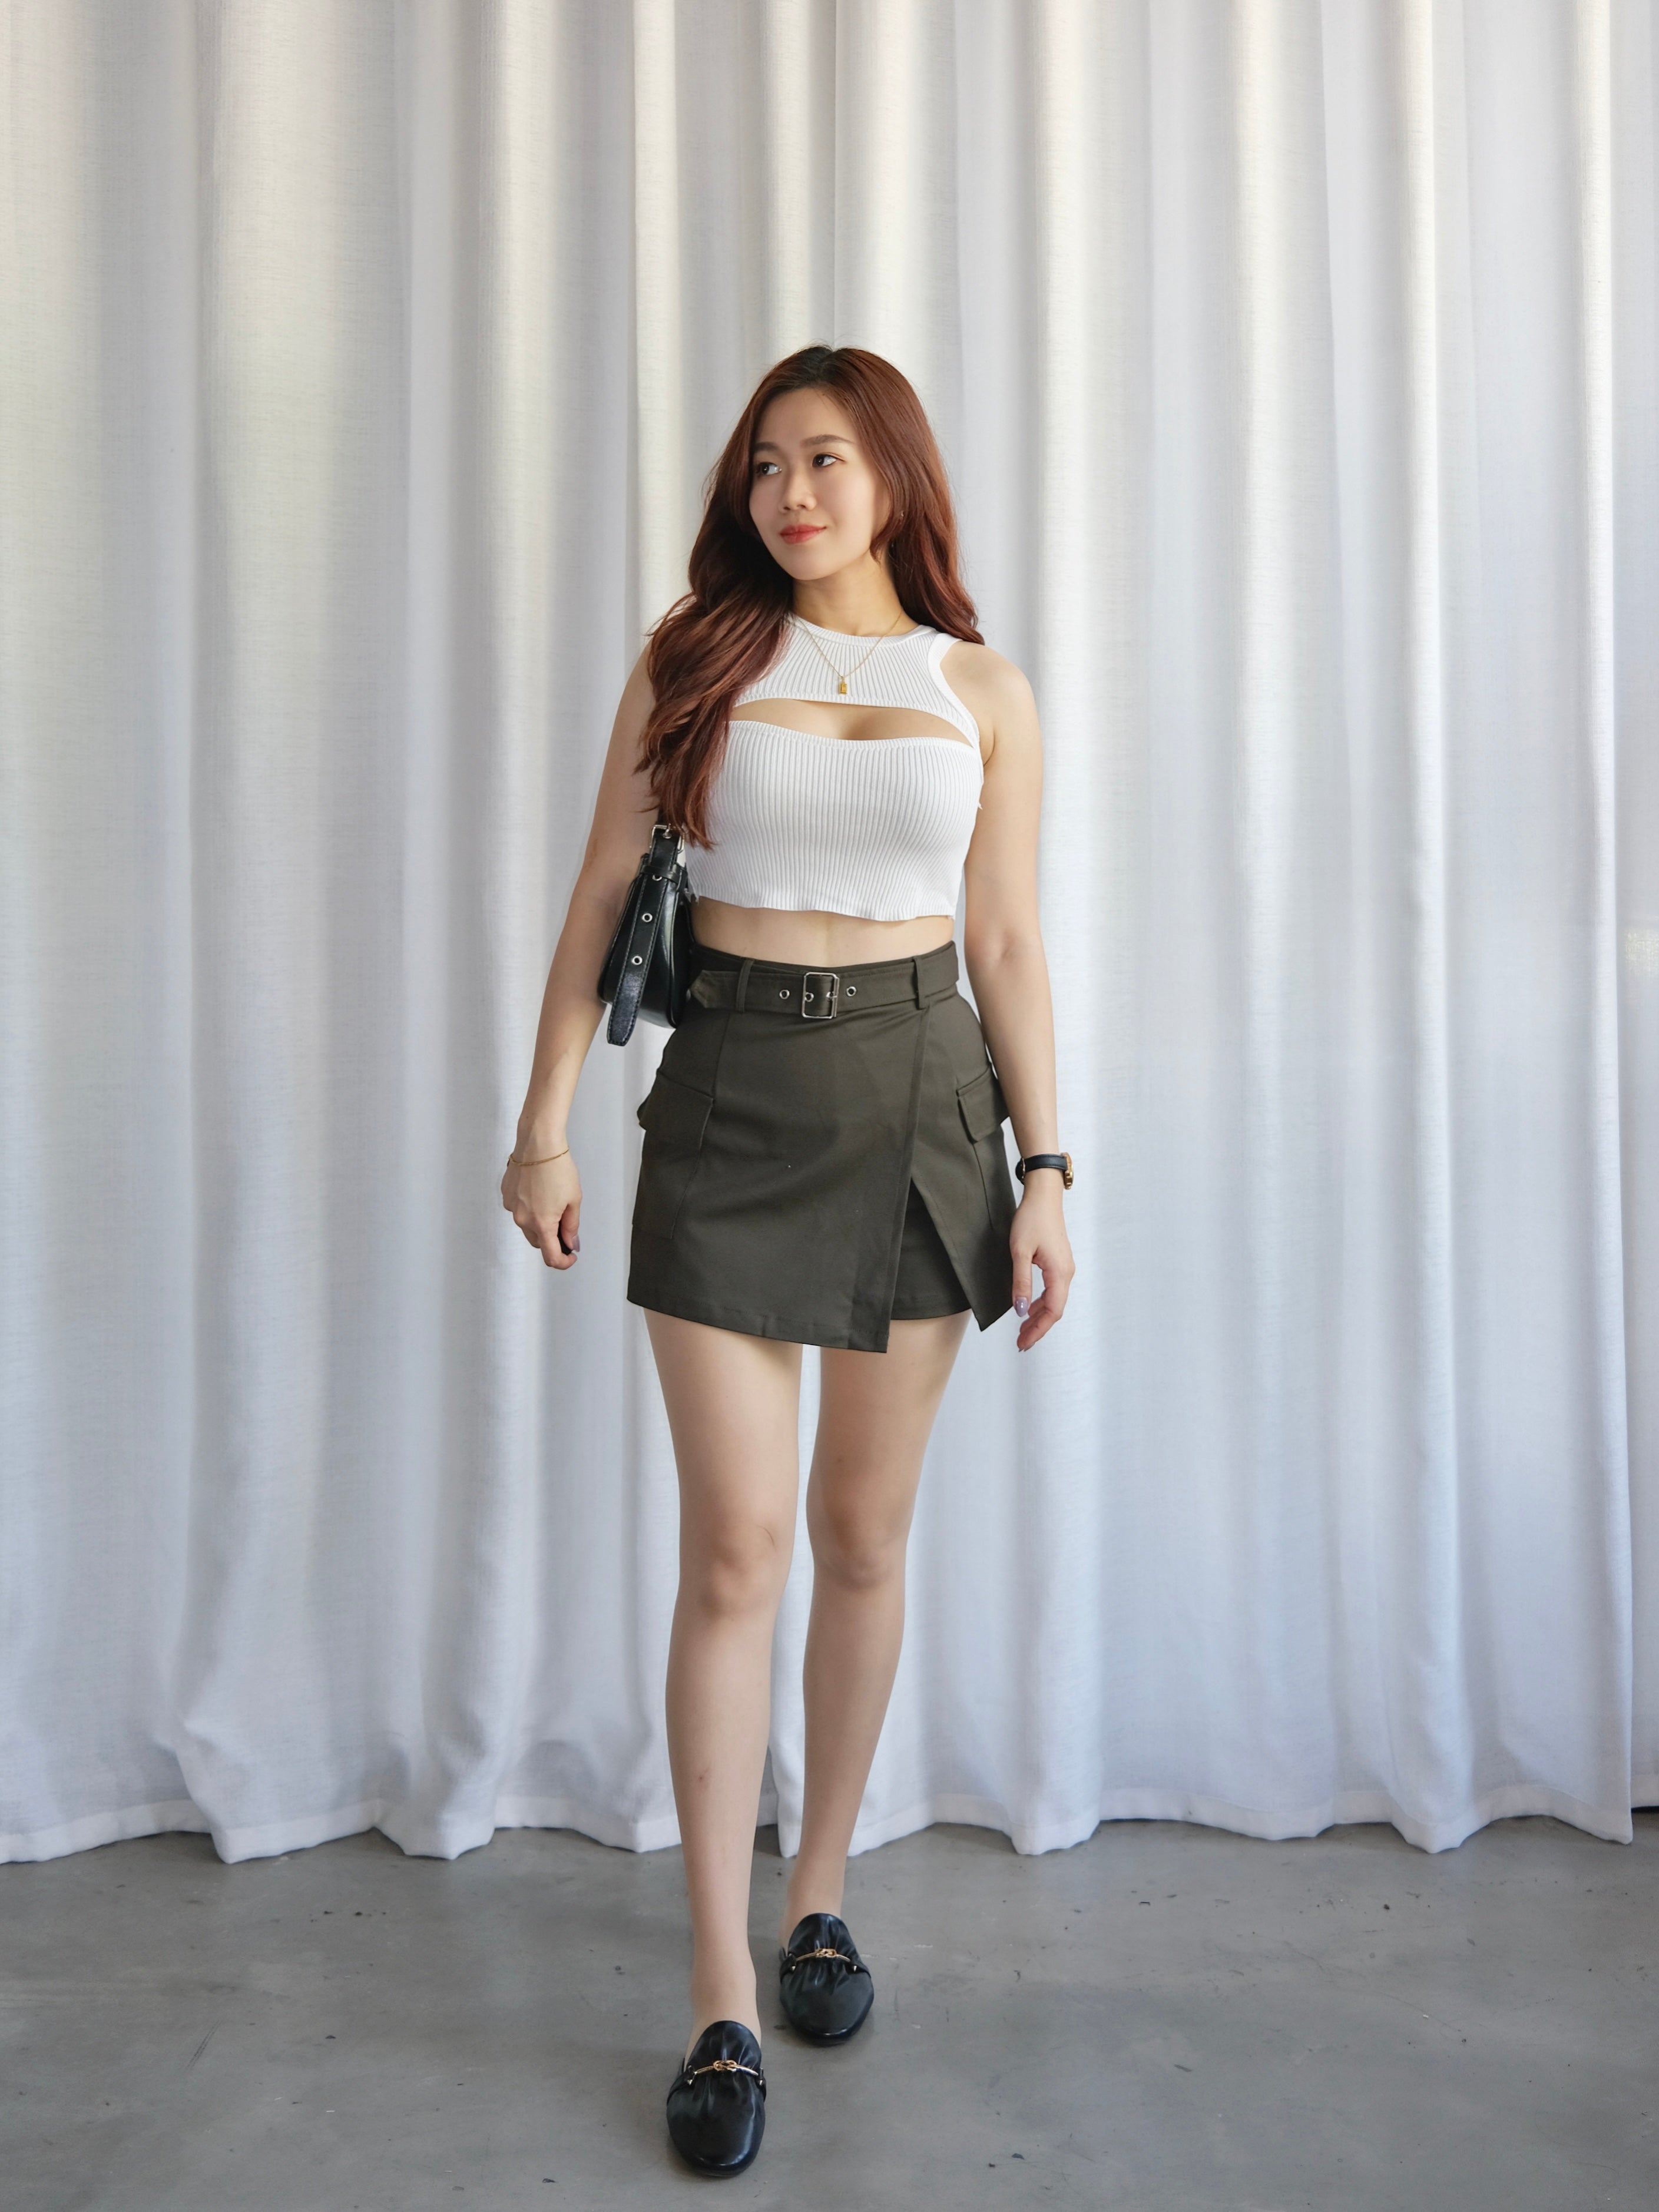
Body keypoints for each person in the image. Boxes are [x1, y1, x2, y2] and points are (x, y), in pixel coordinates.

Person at [501, 344, 1074, 2177]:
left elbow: (1005, 937)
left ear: (892, 474)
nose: (789, 492)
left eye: (823, 458)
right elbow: (604, 890)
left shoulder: (977, 685)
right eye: (763, 464)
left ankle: (819, 1889)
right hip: (731, 1093)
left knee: (860, 1535)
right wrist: (541, 1122)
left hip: (921, 1099)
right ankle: (719, 1990)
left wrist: (1046, 1169)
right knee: (737, 1546)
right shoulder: (696, 658)